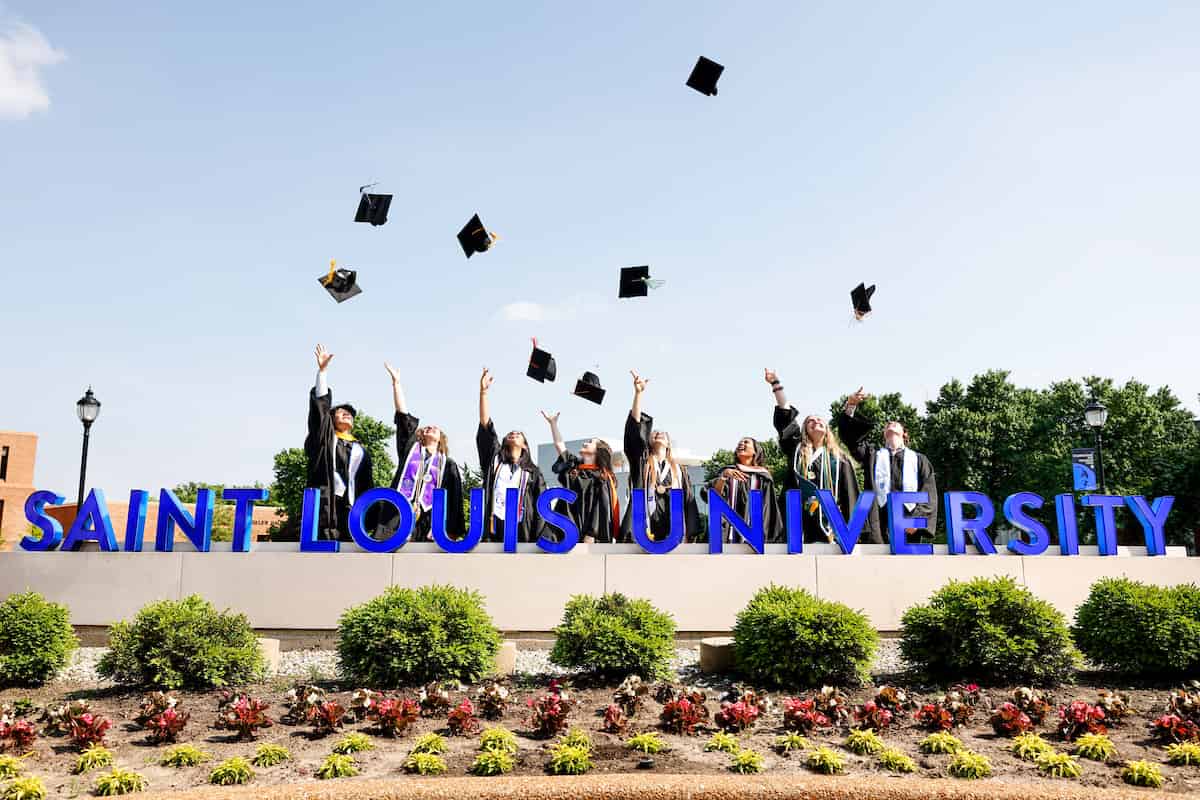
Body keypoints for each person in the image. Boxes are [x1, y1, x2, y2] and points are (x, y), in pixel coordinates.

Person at [766, 368, 863, 543]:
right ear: (804, 429)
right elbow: (785, 414)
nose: (816, 421)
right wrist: (776, 384)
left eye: (820, 421)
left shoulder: (840, 459)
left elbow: (850, 495)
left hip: (830, 519)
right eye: (810, 420)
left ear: (827, 430)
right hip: (796, 516)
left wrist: (850, 528)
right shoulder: (796, 447)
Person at [378, 362, 466, 542]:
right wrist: (396, 384)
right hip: (399, 513)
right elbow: (403, 416)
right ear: (420, 435)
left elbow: (455, 498)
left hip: (431, 518)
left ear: (441, 438)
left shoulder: (447, 465)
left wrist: (449, 529)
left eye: (436, 428)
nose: (431, 428)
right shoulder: (410, 450)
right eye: (427, 427)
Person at [837, 387, 938, 543]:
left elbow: (929, 491)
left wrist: (918, 518)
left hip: (908, 521)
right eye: (887, 425)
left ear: (905, 434)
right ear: (884, 434)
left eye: (895, 423)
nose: (890, 423)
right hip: (877, 519)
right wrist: (850, 406)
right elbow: (851, 440)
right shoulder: (873, 456)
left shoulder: (919, 460)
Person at [304, 344, 374, 541]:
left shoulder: (360, 449)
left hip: (354, 506)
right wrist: (322, 372)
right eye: (342, 413)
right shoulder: (325, 438)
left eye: (350, 415)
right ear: (331, 419)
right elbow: (320, 410)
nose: (348, 415)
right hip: (327, 502)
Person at [620, 370, 701, 541]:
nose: (658, 434)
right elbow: (634, 433)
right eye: (654, 433)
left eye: (663, 434)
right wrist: (638, 394)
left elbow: (688, 500)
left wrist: (688, 532)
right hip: (646, 525)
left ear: (669, 443)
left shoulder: (680, 471)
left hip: (674, 526)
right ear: (648, 440)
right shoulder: (643, 463)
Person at [476, 367, 547, 542]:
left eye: (518, 433)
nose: (514, 433)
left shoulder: (533, 472)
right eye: (510, 433)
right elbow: (486, 427)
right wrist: (483, 393)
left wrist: (537, 538)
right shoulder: (496, 460)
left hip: (523, 530)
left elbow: (541, 506)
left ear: (525, 445)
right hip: (494, 526)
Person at [540, 411, 619, 543]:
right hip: (565, 523)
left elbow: (601, 508)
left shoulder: (603, 477)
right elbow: (560, 446)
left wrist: (591, 533)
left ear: (598, 451)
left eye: (590, 442)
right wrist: (553, 424)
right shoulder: (573, 466)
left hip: (587, 529)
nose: (585, 443)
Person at [704, 437, 784, 543]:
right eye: (739, 442)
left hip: (753, 537)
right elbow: (714, 497)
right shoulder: (728, 472)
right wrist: (723, 477)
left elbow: (769, 508)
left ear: (755, 451)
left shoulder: (763, 477)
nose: (741, 443)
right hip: (727, 536)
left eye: (746, 442)